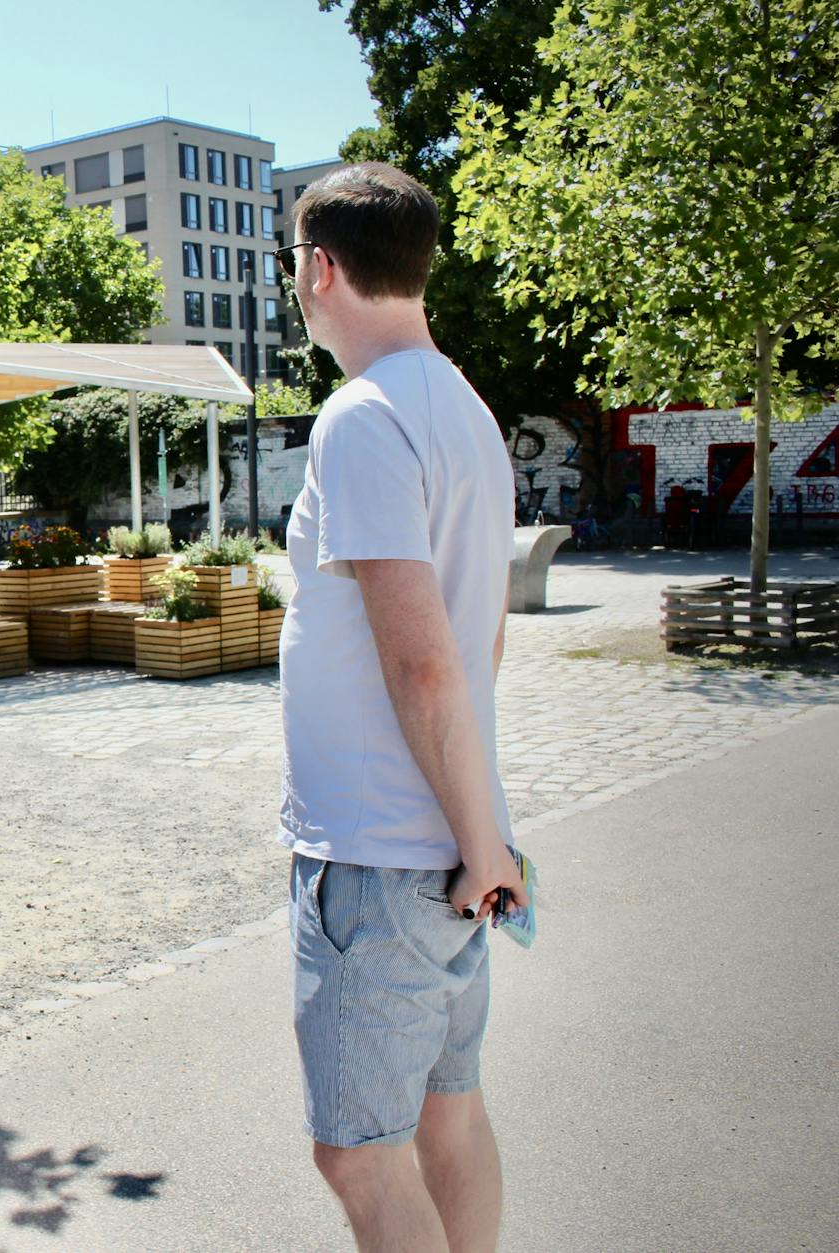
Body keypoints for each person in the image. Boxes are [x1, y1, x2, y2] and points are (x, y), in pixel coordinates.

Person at [273, 164, 529, 1252]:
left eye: (295, 264)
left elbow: (423, 661)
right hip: (439, 843)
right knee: (447, 1116)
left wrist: (477, 843)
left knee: (359, 1154)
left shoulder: (360, 416)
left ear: (319, 267)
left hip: (379, 853)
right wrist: (481, 838)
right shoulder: (461, 405)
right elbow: (483, 645)